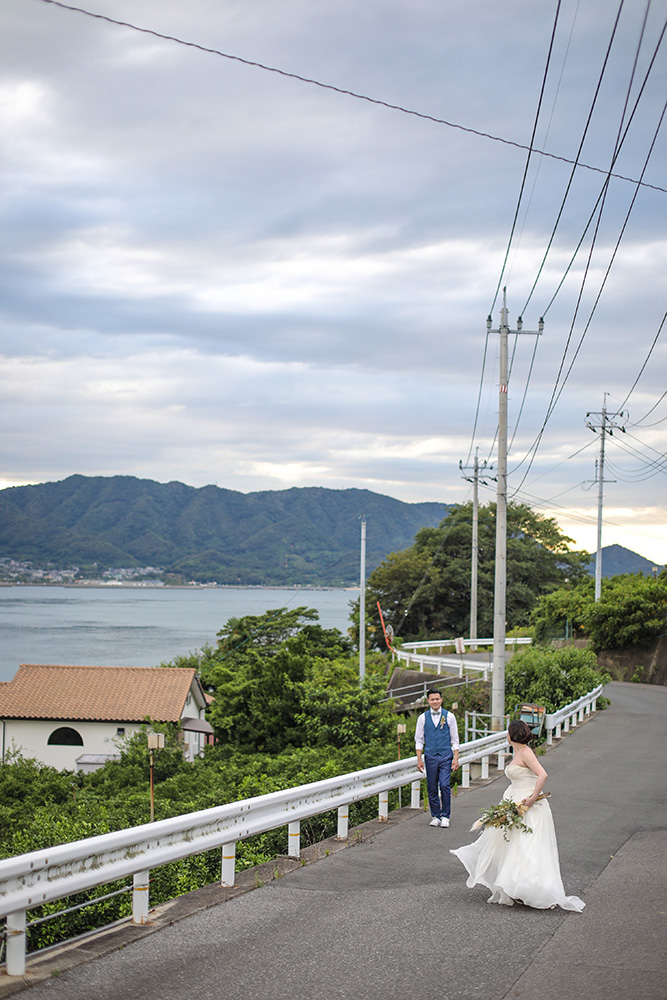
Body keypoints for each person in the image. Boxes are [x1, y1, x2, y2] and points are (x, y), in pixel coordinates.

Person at [450, 719, 585, 911]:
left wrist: (532, 799)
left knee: (528, 846)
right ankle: (516, 885)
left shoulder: (526, 752)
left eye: (507, 732)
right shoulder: (517, 751)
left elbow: (543, 775)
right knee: (513, 845)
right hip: (514, 800)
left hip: (528, 804)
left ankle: (532, 888)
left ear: (512, 734)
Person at [415, 689, 459, 828]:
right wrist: (419, 759)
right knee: (432, 786)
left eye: (437, 699)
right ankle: (435, 815)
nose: (435, 702)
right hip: (430, 755)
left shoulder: (450, 716)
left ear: (441, 700)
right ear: (428, 701)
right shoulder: (422, 718)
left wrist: (456, 758)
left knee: (445, 785)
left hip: (446, 755)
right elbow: (419, 740)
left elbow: (455, 739)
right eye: (432, 699)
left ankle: (446, 815)